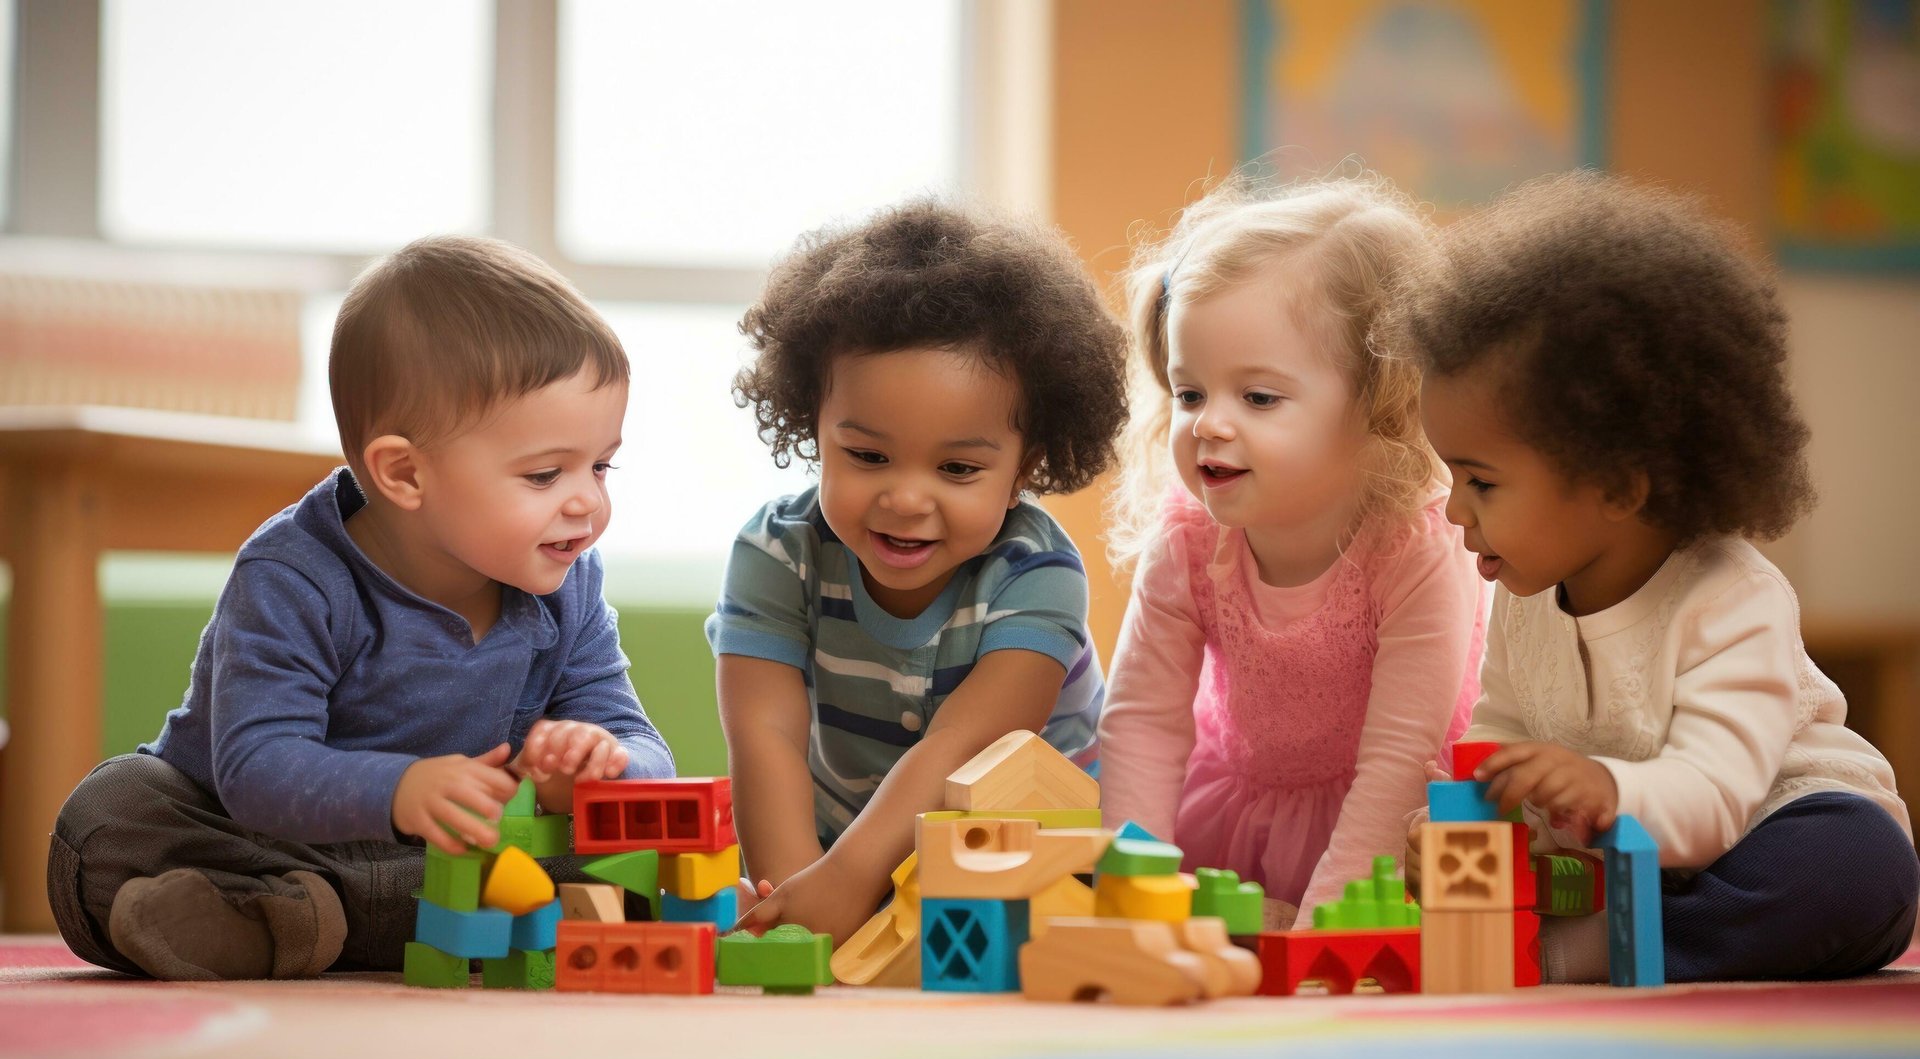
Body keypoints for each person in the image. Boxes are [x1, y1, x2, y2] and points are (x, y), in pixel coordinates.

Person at [48, 235, 673, 980]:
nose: (589, 501)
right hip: (262, 837)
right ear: (405, 473)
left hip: (455, 853)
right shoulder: (294, 577)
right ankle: (292, 914)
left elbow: (645, 748)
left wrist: (605, 767)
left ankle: (299, 924)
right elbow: (255, 767)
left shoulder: (569, 582)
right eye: (545, 474)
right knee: (110, 816)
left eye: (601, 465)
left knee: (637, 849)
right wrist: (402, 790)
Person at [1391, 172, 1916, 981]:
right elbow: (1501, 730)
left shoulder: (1730, 598)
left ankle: (1596, 949)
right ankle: (1618, 934)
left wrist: (1599, 786)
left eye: (1482, 482)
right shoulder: (1522, 595)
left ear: (1619, 485)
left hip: (1773, 825)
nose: (1454, 509)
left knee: (1857, 867)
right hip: (1632, 858)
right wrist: (1478, 819)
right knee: (1538, 875)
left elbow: (1709, 802)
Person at [710, 200, 1129, 945]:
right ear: (814, 426)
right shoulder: (777, 553)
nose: (905, 499)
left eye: (958, 468)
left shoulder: (1036, 572)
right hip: (845, 849)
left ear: (1025, 466)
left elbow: (963, 747)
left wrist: (846, 881)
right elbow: (764, 734)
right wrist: (798, 897)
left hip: (1023, 854)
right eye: (867, 456)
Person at [1098, 175, 1485, 928]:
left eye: (1259, 397)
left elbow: (1400, 761)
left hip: (1390, 829)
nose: (1209, 424)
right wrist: (1128, 895)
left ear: (1382, 399)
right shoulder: (1188, 535)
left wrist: (1325, 929)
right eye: (1190, 394)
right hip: (1244, 810)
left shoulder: (1417, 546)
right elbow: (1143, 719)